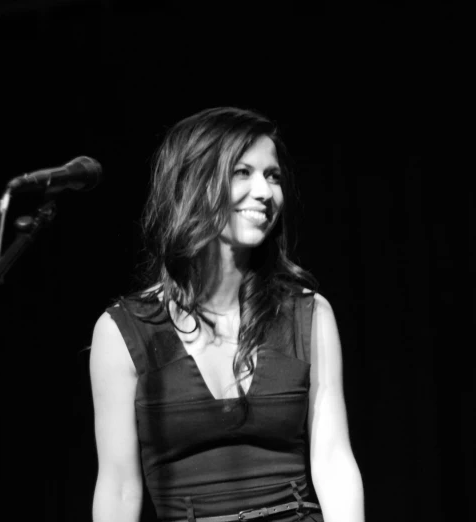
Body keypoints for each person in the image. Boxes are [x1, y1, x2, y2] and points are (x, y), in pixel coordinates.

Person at [89, 107, 364, 522]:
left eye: (272, 176)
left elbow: (334, 462)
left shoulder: (308, 314)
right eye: (242, 172)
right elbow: (119, 488)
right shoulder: (125, 331)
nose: (265, 192)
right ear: (192, 182)